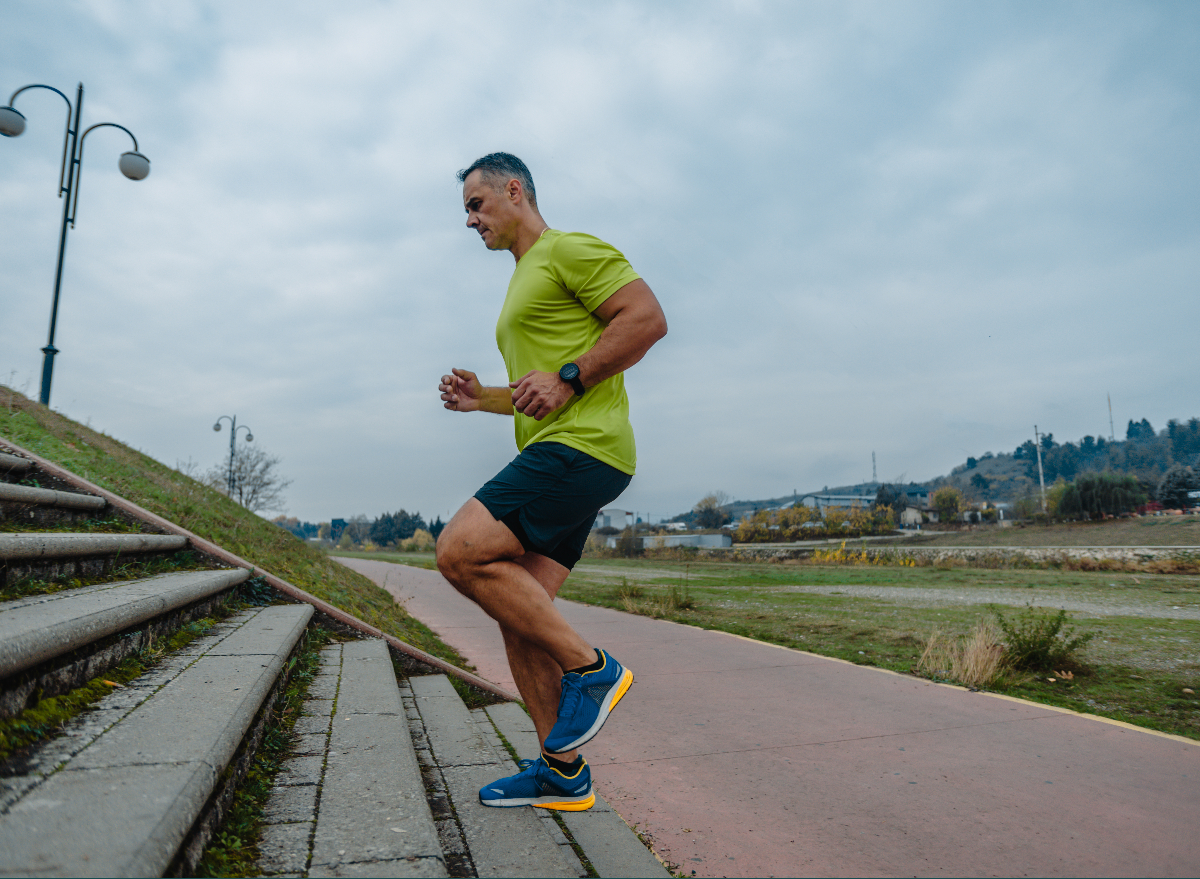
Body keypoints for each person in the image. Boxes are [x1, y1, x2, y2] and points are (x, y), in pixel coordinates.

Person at [436, 152, 667, 811]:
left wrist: (571, 376)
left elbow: (646, 317)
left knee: (458, 551)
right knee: (519, 611)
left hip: (582, 448)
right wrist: (485, 398)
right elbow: (540, 393)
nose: (471, 220)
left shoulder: (567, 249)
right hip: (566, 447)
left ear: (515, 191)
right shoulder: (521, 280)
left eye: (477, 205)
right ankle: (561, 771)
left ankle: (592, 671)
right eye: (466, 213)